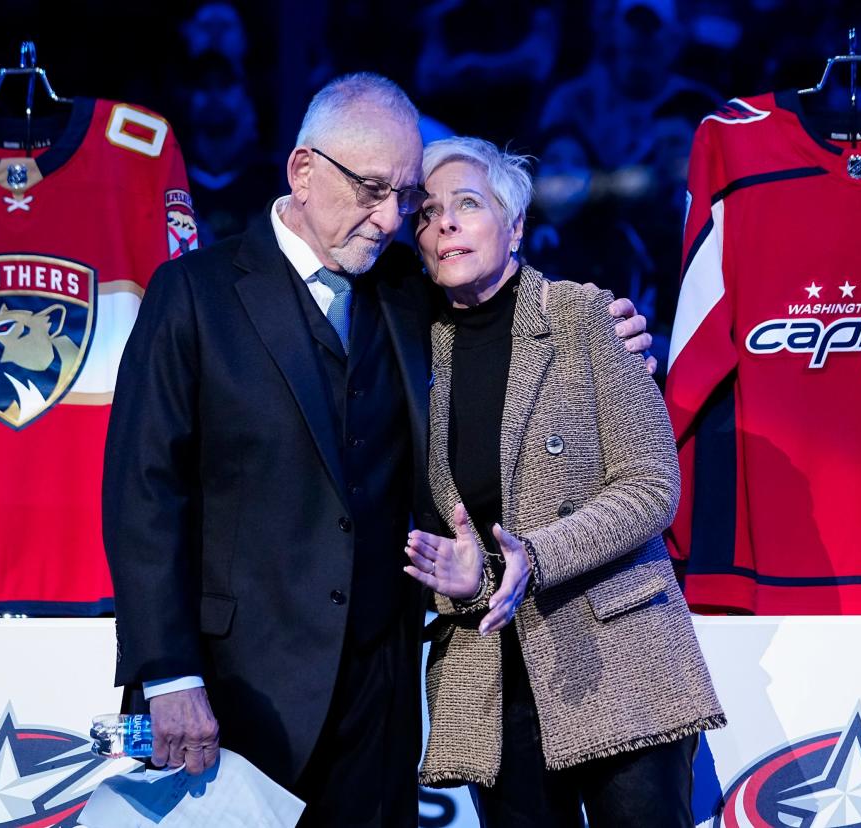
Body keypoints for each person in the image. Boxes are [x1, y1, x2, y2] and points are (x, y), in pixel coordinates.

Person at [102, 74, 653, 827]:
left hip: (380, 689)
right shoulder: (193, 293)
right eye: (372, 189)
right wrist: (168, 675)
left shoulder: (403, 287)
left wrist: (603, 334)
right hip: (233, 689)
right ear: (303, 172)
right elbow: (143, 493)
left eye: (403, 196)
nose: (392, 217)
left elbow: (505, 304)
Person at [403, 136, 724, 827]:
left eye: (468, 204)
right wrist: (458, 575)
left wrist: (537, 557)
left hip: (617, 656)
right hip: (489, 674)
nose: (446, 223)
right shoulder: (408, 350)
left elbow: (650, 485)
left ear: (516, 224)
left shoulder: (585, 316)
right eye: (428, 213)